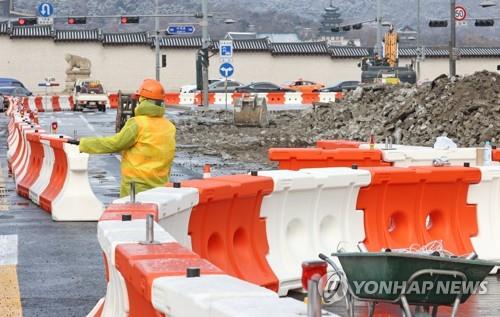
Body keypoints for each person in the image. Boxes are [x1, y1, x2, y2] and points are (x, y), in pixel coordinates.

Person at [70, 79, 176, 197]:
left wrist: (84, 143)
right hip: (161, 188)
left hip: (136, 188)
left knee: (133, 216)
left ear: (143, 100)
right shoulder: (169, 126)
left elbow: (115, 144)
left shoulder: (137, 123)